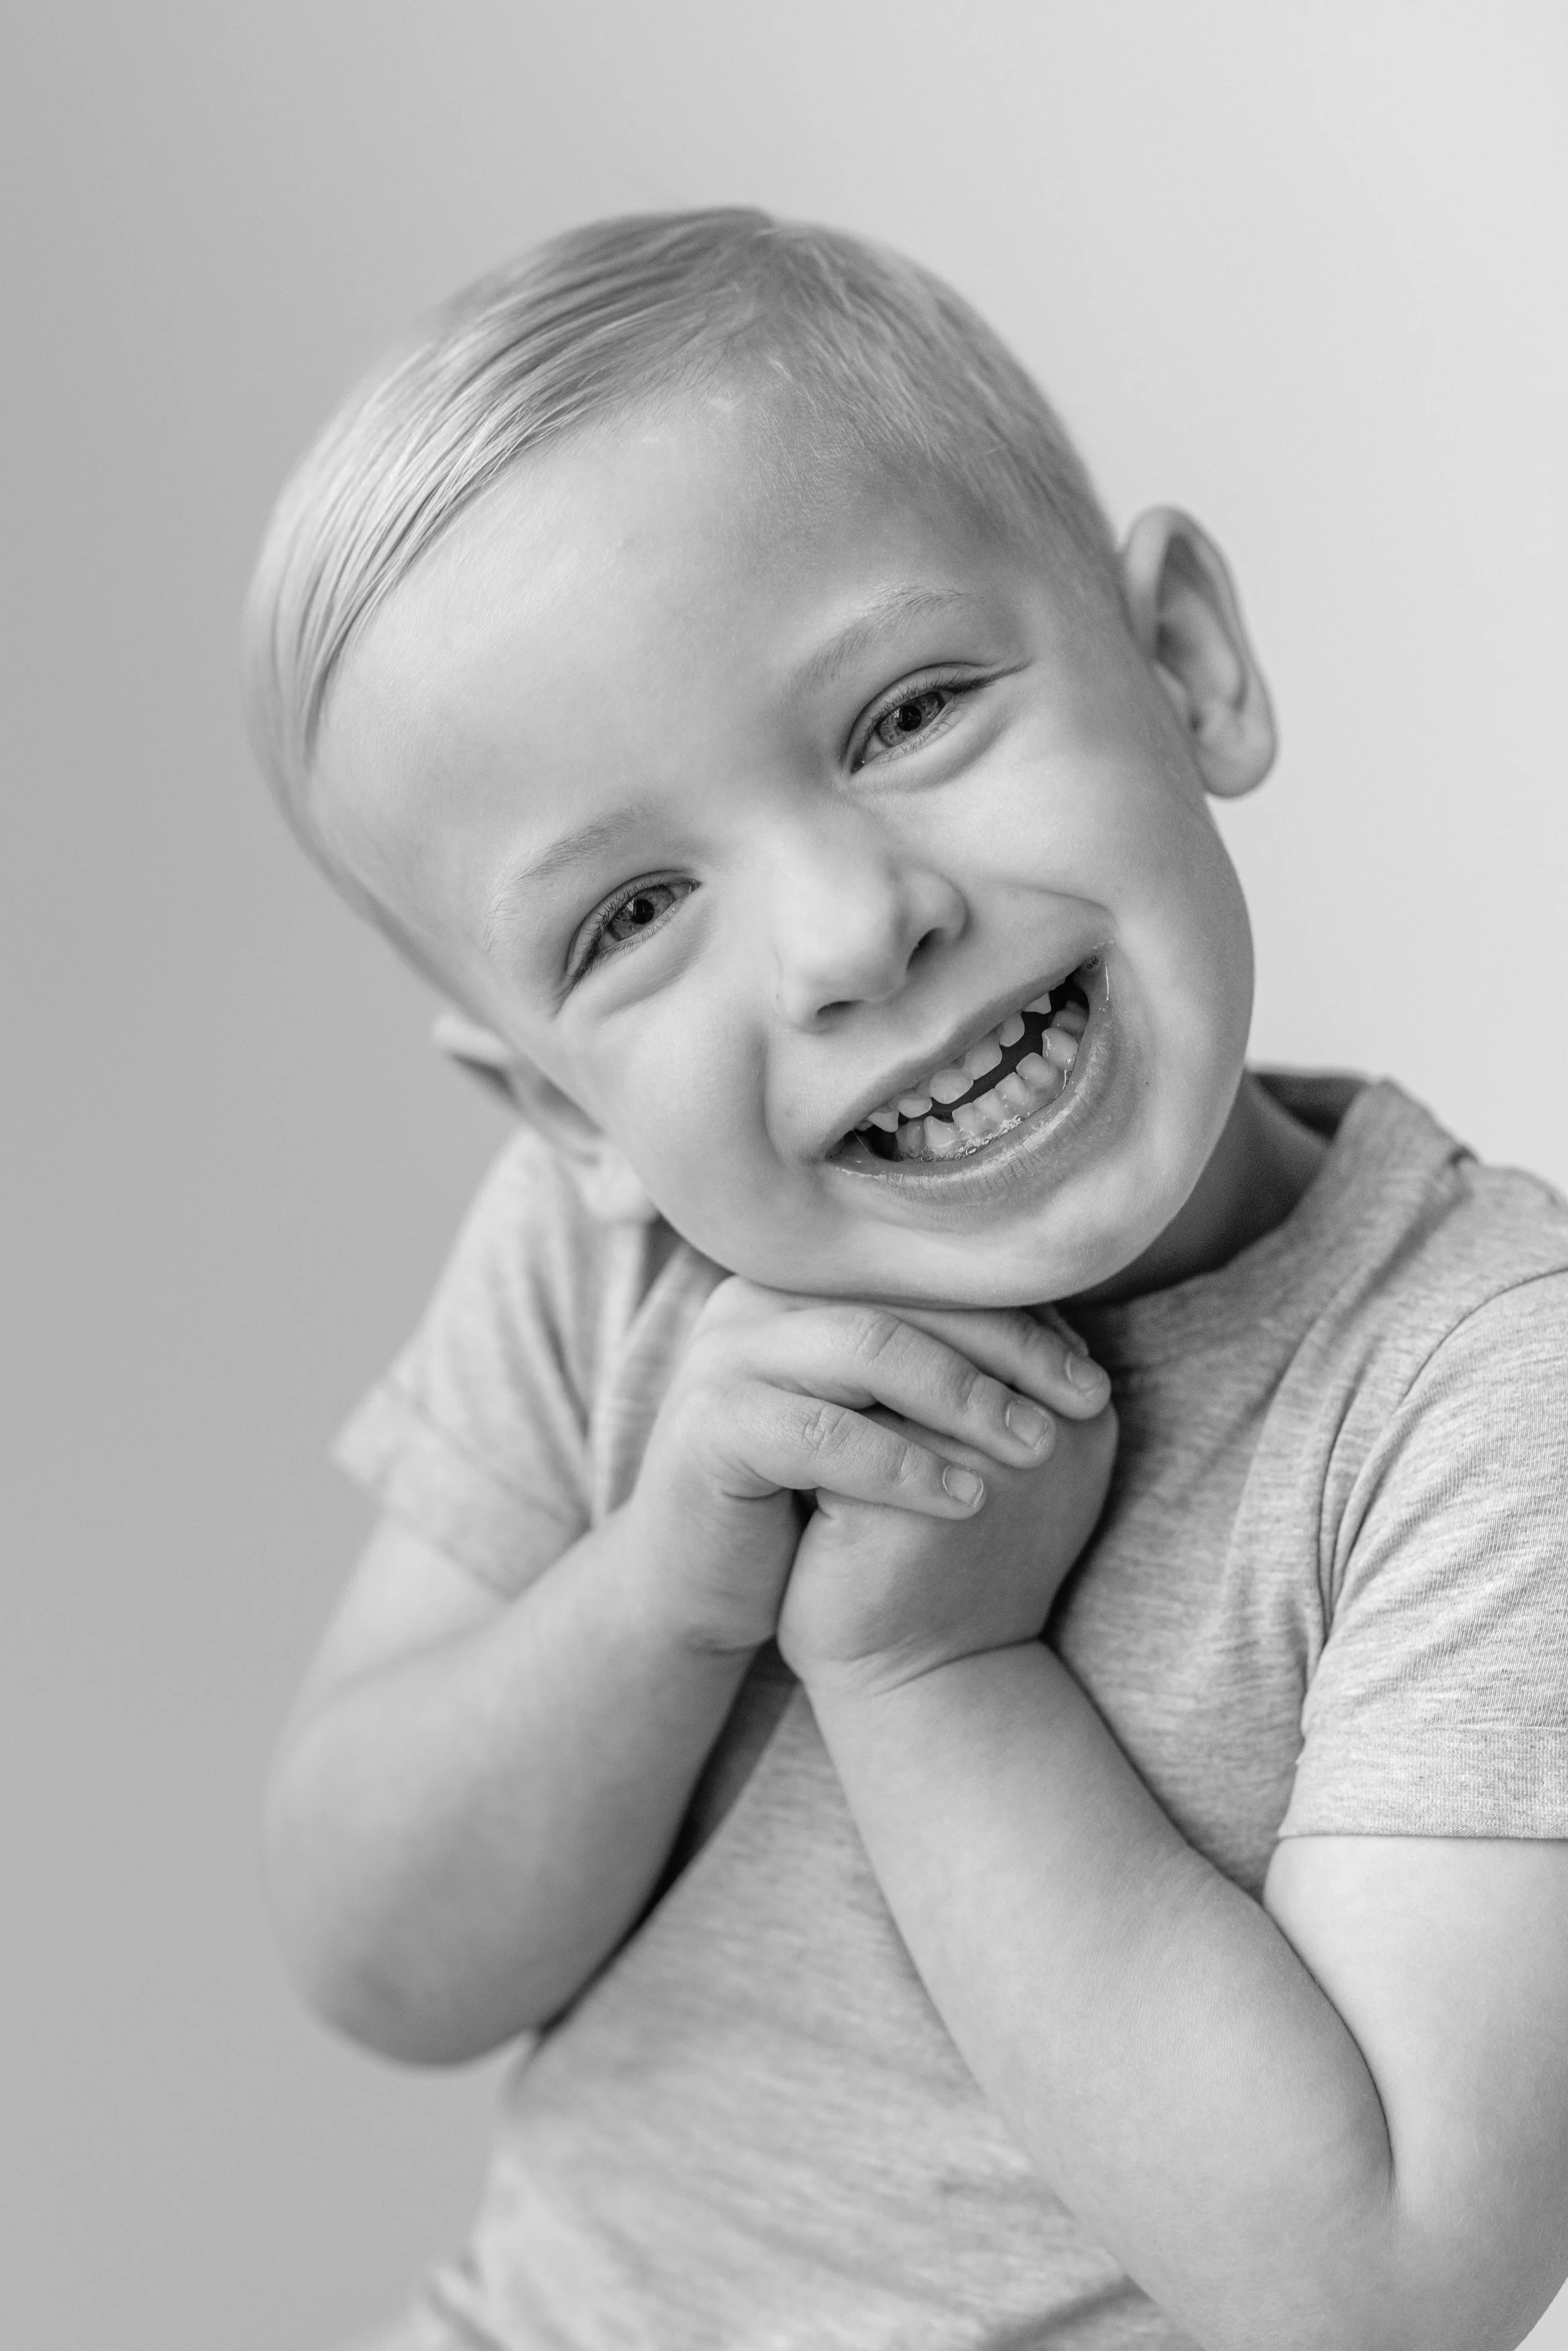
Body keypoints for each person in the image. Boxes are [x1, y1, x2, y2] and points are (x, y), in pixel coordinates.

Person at [246, 210, 1568, 2351]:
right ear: (561, 1113)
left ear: (1185, 664)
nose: (851, 934)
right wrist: (660, 1591)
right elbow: (372, 1956)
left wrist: (934, 1681)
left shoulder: (1477, 1391)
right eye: (633, 913)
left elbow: (1386, 2289)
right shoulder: (617, 1272)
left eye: (907, 711)